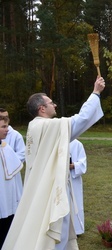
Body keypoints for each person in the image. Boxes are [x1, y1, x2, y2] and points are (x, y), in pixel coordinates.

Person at [2, 76, 105, 250]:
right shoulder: (46, 127)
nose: (55, 105)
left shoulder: (35, 126)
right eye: (51, 103)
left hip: (41, 187)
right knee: (54, 233)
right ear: (42, 108)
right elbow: (81, 120)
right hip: (50, 190)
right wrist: (95, 92)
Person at [0, 116, 23, 248]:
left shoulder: (6, 147)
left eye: (7, 126)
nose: (7, 130)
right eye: (3, 127)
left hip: (7, 199)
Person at [69, 139, 87, 236]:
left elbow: (83, 163)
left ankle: (76, 229)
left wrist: (73, 166)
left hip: (73, 179)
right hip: (58, 178)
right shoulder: (56, 140)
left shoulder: (77, 144)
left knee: (75, 202)